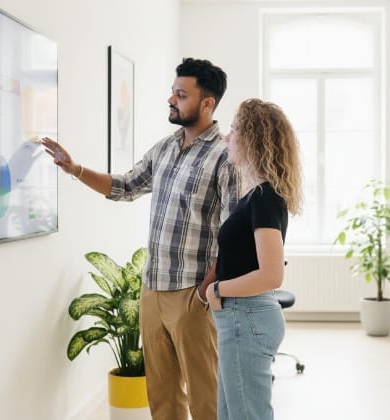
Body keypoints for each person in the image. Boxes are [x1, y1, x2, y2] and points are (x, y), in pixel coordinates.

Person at [41, 57, 240, 420]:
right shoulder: (164, 148)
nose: (171, 100)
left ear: (207, 103)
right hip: (152, 288)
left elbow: (233, 232)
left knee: (205, 396)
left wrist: (207, 289)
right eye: (172, 92)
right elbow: (124, 186)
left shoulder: (226, 156)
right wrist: (75, 169)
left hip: (192, 293)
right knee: (162, 395)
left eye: (181, 95)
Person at [202, 98, 302, 420]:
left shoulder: (264, 199)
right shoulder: (258, 195)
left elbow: (272, 275)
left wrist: (218, 290)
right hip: (241, 319)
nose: (226, 138)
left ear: (252, 138)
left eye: (233, 130)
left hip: (247, 318)